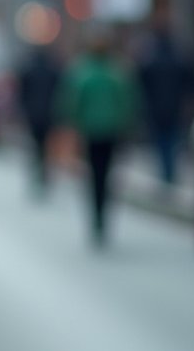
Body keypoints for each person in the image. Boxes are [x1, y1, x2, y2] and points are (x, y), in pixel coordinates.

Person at [58, 29, 140, 244]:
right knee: (107, 175)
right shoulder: (116, 71)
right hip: (110, 131)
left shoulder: (82, 71)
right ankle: (103, 214)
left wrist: (74, 126)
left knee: (94, 175)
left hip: (91, 132)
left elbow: (72, 103)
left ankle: (97, 215)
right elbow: (127, 102)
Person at [134, 17, 194, 186]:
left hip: (156, 107)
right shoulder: (179, 55)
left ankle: (166, 172)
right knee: (172, 140)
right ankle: (170, 172)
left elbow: (141, 81)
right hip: (175, 106)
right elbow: (190, 79)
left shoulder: (150, 57)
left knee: (162, 141)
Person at [16, 43, 62, 191]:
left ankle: (37, 170)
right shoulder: (53, 71)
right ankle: (43, 172)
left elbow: (23, 92)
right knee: (44, 145)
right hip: (48, 114)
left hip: (33, 114)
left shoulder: (29, 70)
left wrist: (23, 109)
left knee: (36, 144)